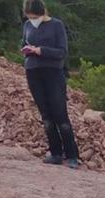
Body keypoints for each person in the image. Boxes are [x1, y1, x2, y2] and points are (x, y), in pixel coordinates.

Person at [22, 0, 79, 168]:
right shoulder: (27, 26)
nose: (32, 19)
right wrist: (27, 50)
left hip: (53, 72)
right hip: (33, 71)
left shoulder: (56, 25)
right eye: (29, 17)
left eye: (34, 16)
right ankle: (55, 153)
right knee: (46, 116)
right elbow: (23, 42)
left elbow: (62, 52)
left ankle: (72, 155)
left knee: (60, 115)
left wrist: (42, 51)